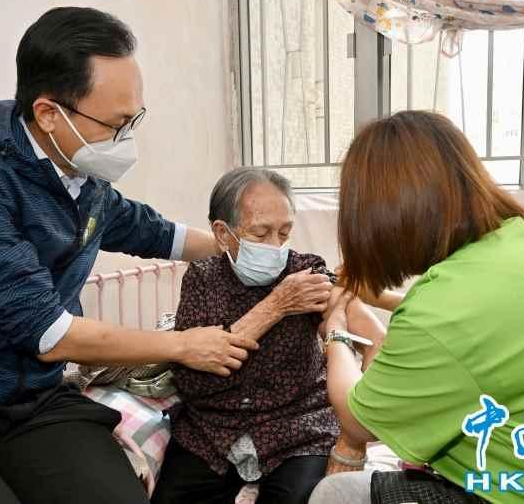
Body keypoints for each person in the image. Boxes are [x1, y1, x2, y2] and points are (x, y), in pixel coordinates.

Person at [0, 7, 328, 504]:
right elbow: (49, 334)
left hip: (33, 401)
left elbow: (156, 232)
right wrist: (182, 345)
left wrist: (250, 245)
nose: (127, 139)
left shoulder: (79, 178)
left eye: (133, 119)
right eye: (117, 124)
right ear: (50, 114)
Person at [309, 111, 524, 504]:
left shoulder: (440, 311)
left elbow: (357, 421)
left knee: (335, 493)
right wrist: (379, 300)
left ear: (378, 216)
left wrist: (337, 331)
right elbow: (487, 328)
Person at [151, 168, 387, 504]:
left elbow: (375, 337)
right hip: (212, 431)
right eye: (261, 234)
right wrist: (277, 305)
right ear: (222, 233)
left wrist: (354, 434)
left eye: (284, 233)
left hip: (298, 429)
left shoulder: (306, 274)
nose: (276, 247)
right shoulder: (202, 279)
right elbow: (191, 378)